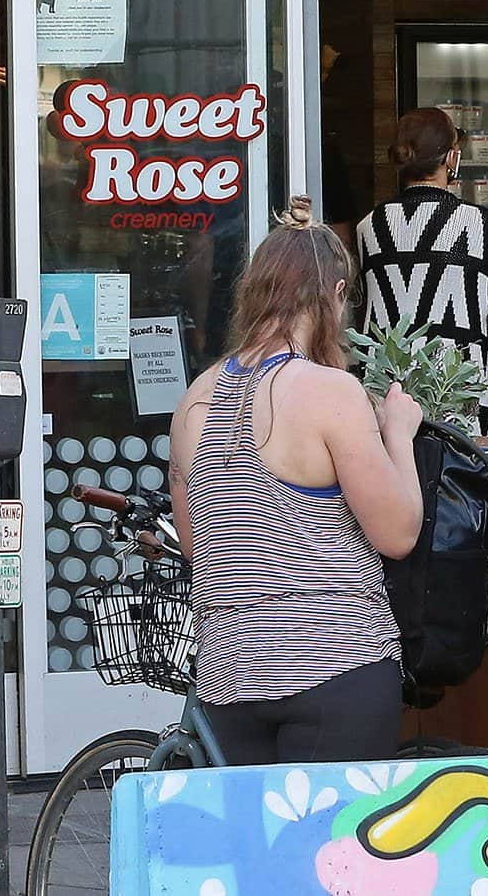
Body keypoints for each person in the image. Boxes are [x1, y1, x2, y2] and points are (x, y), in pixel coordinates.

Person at [167, 196, 424, 765]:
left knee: (253, 853)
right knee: (331, 853)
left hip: (228, 681)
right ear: (334, 296)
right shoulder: (330, 393)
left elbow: (198, 551)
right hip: (336, 669)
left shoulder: (195, 399)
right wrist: (398, 435)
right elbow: (398, 533)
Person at [355, 108, 488, 433]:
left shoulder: (369, 227)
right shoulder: (485, 226)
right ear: (451, 158)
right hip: (464, 391)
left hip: (387, 390)